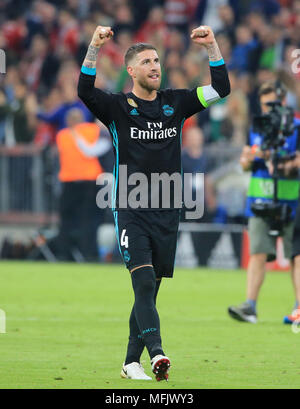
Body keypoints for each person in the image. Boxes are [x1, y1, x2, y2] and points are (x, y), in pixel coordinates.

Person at [78, 24, 230, 381]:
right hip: (130, 207)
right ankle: (158, 353)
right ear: (131, 71)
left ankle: (131, 362)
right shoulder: (116, 106)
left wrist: (212, 46)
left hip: (167, 209)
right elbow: (84, 90)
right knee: (143, 283)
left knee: (151, 288)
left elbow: (221, 88)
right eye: (146, 61)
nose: (155, 66)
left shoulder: (175, 103)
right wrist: (94, 46)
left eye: (157, 60)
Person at [228, 82, 300, 324]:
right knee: (258, 252)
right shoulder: (257, 128)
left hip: (292, 200)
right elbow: (246, 163)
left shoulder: (296, 127)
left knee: (297, 256)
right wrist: (248, 159)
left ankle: (299, 308)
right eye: (264, 105)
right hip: (260, 197)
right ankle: (250, 306)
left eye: (272, 104)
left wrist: (272, 157)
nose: (268, 110)